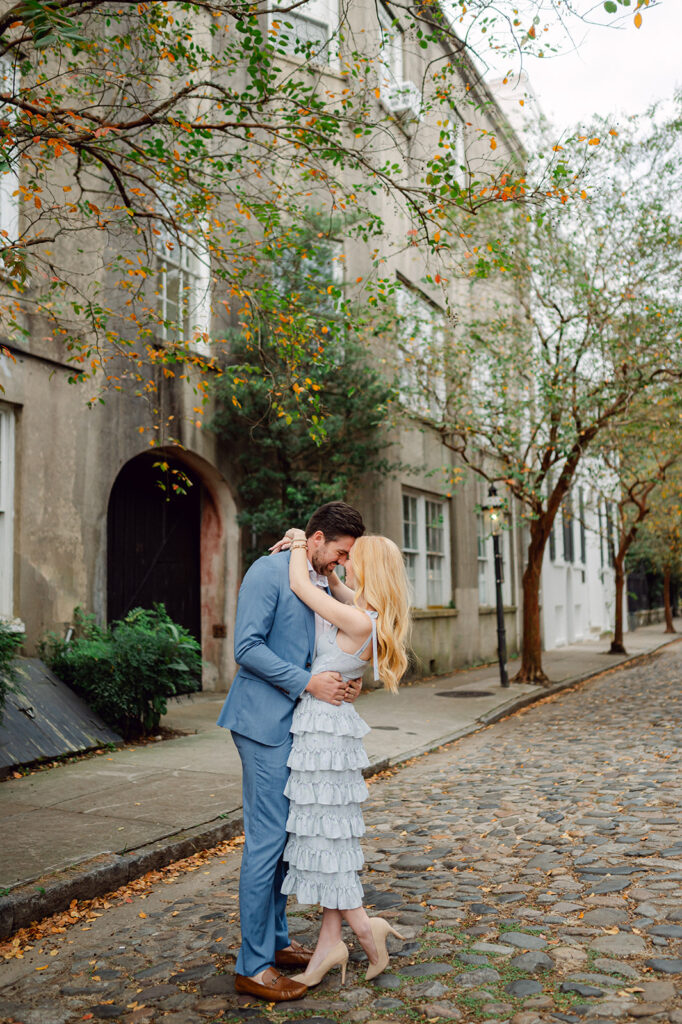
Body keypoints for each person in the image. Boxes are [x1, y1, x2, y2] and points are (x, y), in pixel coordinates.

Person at [216, 501, 366, 1002]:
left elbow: (328, 646)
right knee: (265, 842)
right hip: (261, 723)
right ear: (317, 537)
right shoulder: (268, 570)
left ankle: (276, 945)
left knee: (285, 840)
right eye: (339, 553)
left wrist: (342, 683)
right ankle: (252, 966)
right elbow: (247, 647)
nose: (340, 564)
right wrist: (307, 683)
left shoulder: (316, 574)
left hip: (300, 729)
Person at [278, 527, 410, 987]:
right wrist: (328, 566)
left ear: (368, 567)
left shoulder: (359, 620)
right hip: (325, 727)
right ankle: (330, 945)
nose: (345, 560)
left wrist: (298, 541)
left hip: (324, 736)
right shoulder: (362, 607)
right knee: (328, 840)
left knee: (323, 840)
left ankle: (364, 934)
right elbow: (332, 587)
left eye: (353, 557)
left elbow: (300, 585)